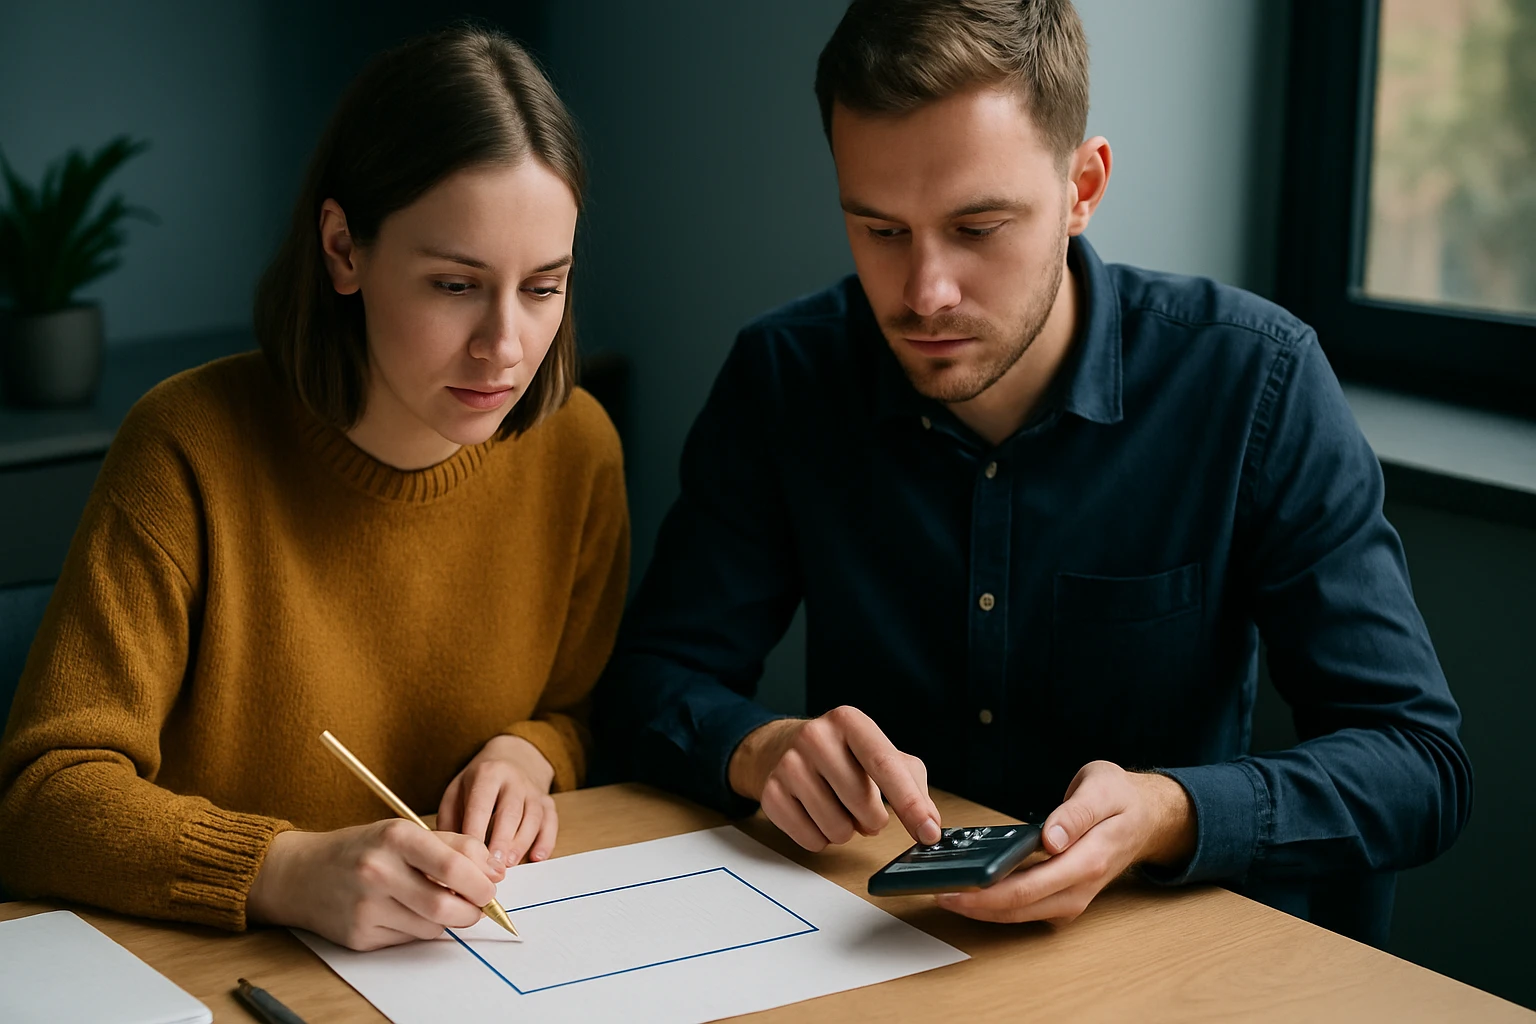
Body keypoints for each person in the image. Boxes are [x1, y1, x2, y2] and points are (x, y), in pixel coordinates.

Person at [593, 0, 1469, 944]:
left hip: (1165, 966)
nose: (925, 292)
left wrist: (1170, 812)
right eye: (881, 231)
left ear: (1083, 186)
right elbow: (652, 681)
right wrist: (758, 750)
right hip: (874, 953)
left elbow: (1417, 764)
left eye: (977, 228)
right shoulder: (786, 378)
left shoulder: (1254, 381)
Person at [0, 26, 629, 952]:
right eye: (455, 285)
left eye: (544, 288)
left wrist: (532, 752)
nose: (505, 347)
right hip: (221, 977)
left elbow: (576, 710)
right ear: (343, 249)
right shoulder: (188, 449)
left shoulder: (579, 448)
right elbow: (41, 799)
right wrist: (281, 869)